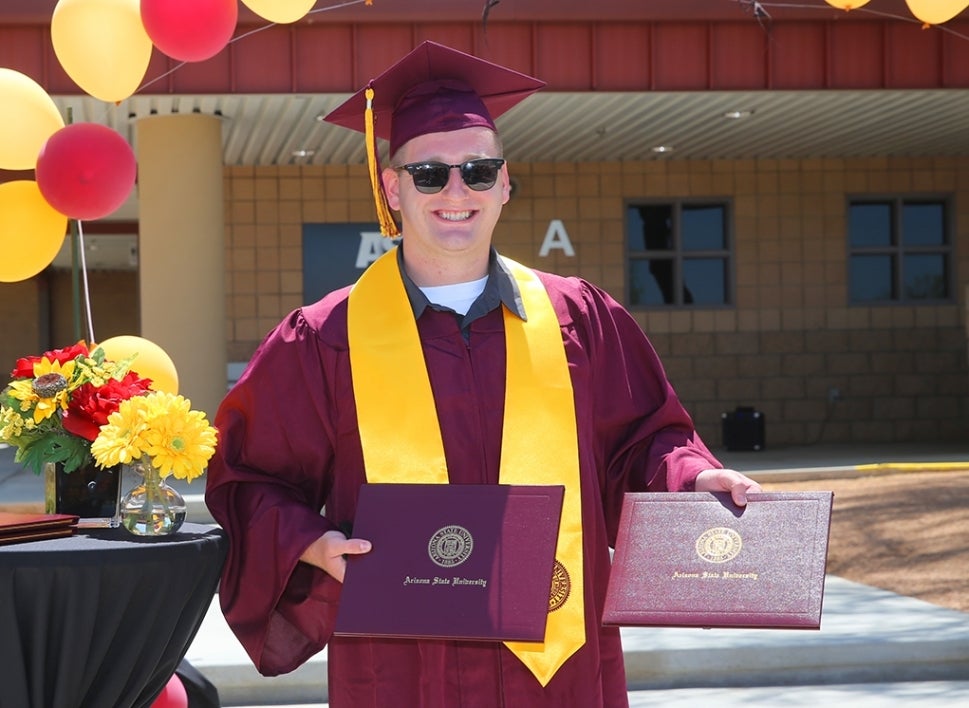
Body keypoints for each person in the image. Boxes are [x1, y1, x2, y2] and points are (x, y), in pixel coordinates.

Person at [204, 41, 762, 708]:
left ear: (504, 181)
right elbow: (249, 477)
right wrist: (312, 543)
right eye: (429, 175)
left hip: (554, 655)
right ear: (392, 188)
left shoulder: (577, 317)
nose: (456, 192)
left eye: (477, 169)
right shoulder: (324, 337)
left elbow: (644, 440)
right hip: (405, 658)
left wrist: (695, 476)